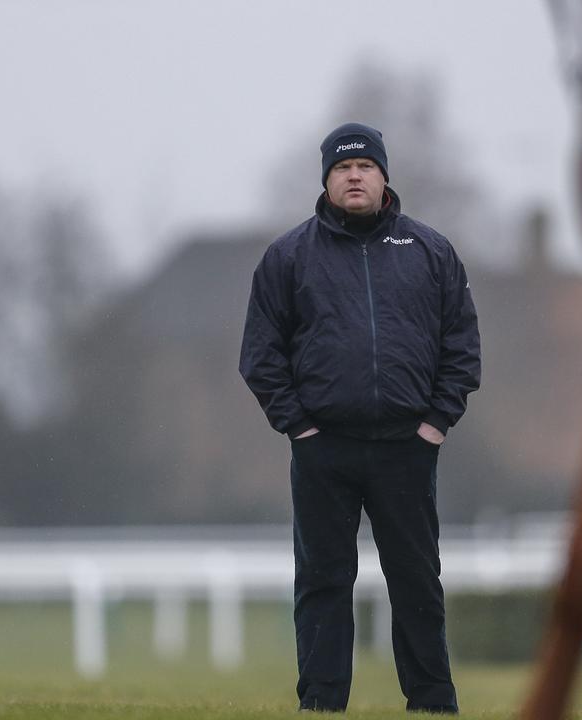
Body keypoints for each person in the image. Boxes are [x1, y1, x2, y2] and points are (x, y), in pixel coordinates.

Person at [239, 122, 480, 713]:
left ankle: (432, 700)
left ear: (383, 177)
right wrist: (300, 427)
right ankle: (321, 702)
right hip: (324, 449)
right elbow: (260, 355)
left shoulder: (431, 252)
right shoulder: (288, 257)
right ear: (325, 179)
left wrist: (434, 425)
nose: (354, 175)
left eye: (365, 167)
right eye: (343, 168)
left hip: (407, 447)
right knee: (323, 581)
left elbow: (462, 346)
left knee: (417, 581)